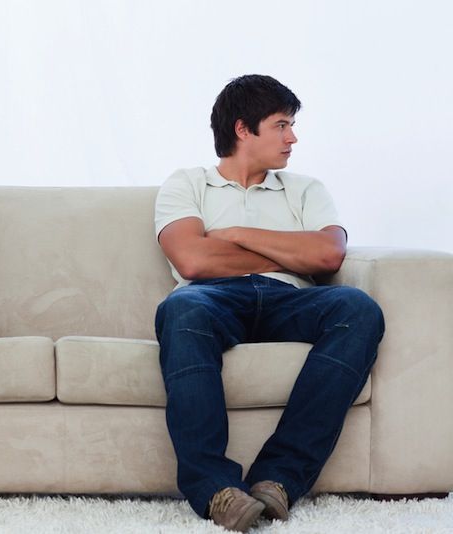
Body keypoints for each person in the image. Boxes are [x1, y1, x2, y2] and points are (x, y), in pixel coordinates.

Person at [154, 74, 384, 532]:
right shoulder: (186, 183)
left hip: (291, 297)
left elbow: (327, 255)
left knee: (358, 308)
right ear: (243, 130)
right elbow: (192, 259)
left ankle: (277, 480)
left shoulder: (305, 189)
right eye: (281, 125)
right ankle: (217, 490)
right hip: (209, 300)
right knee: (180, 310)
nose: (292, 137)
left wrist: (234, 234)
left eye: (291, 125)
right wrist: (286, 248)